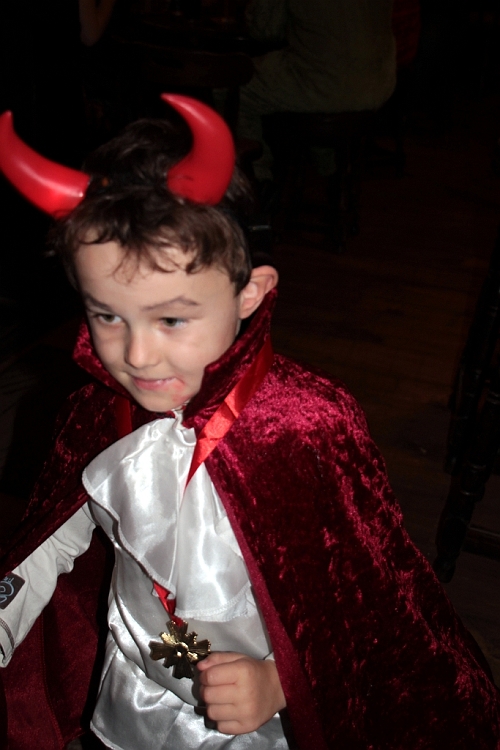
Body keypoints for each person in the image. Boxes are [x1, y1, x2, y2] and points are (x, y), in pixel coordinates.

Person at [0, 95, 499, 750]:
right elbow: (54, 541)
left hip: (254, 725)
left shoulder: (305, 427)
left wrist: (282, 681)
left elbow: (368, 603)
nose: (136, 355)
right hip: (131, 695)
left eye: (171, 318)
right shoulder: (95, 413)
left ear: (251, 293)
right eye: (108, 315)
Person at [238, 0, 397, 183]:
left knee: (235, 83)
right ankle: (331, 173)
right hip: (379, 83)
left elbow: (265, 30)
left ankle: (256, 179)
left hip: (328, 85)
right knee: (314, 71)